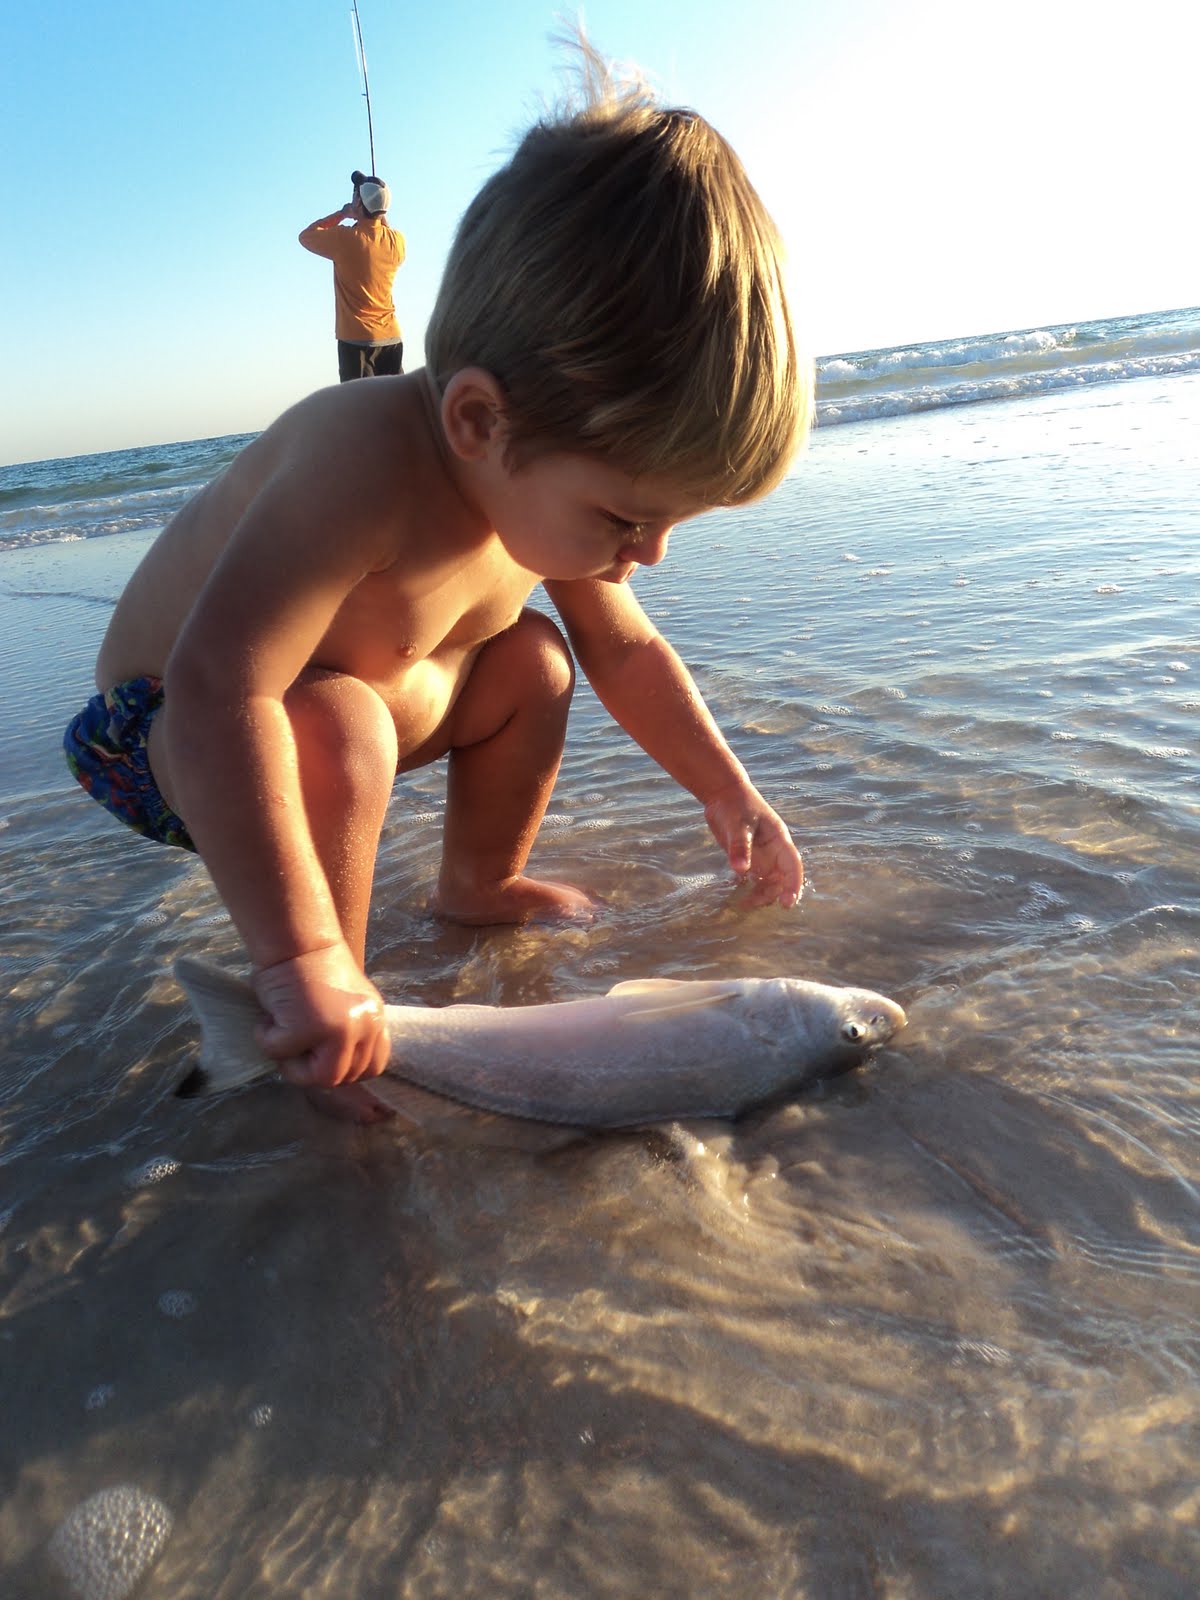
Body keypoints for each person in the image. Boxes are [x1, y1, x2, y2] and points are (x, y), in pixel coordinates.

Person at [64, 43, 812, 1123]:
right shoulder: (357, 463)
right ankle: (326, 1015)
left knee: (536, 660)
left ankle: (478, 883)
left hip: (365, 708)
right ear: (478, 421)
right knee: (338, 723)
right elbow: (225, 685)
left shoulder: (526, 473)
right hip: (174, 736)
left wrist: (727, 789)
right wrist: (300, 961)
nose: (648, 553)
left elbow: (627, 651)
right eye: (626, 518)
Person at [299, 169, 405, 381]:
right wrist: (373, 209)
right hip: (391, 339)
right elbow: (383, 226)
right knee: (395, 401)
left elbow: (306, 236)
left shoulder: (344, 239)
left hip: (356, 341)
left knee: (359, 403)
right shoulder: (397, 242)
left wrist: (343, 214)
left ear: (358, 203)